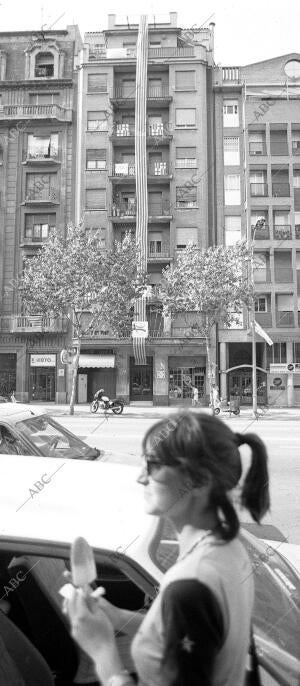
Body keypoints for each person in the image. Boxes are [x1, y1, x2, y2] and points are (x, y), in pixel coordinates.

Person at [65, 411, 270, 686]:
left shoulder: (189, 584)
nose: (140, 478)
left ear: (199, 480)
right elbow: (201, 637)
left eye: (152, 465)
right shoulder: (229, 548)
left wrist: (103, 653)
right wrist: (116, 617)